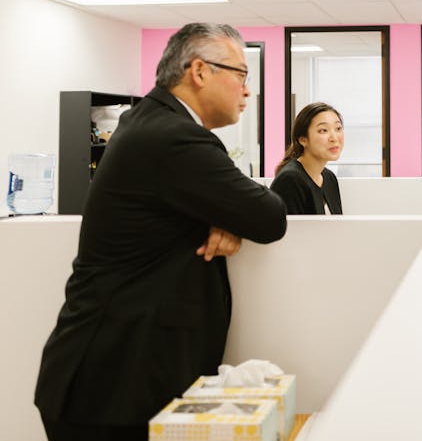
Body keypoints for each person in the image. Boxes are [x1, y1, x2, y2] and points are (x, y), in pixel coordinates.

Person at [35, 23, 288, 441]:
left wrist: (221, 213)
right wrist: (229, 213)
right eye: (242, 75)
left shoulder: (149, 123)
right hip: (112, 386)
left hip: (115, 375)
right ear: (200, 71)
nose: (247, 91)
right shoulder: (174, 137)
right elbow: (268, 217)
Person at [270, 102, 344, 214]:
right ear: (303, 139)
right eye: (323, 130)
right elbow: (294, 231)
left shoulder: (329, 178)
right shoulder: (290, 180)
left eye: (338, 128)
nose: (334, 138)